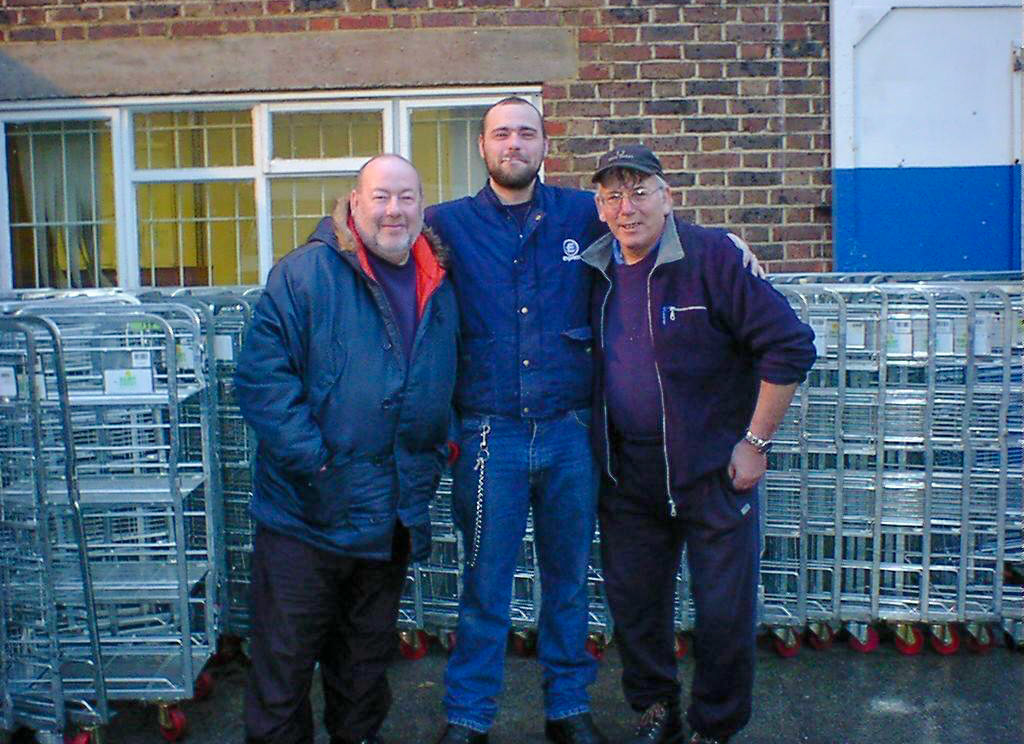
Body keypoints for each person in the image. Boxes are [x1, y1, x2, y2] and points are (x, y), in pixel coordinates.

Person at [580, 145, 816, 744]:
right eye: (612, 195)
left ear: (668, 196)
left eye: (639, 191)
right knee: (635, 608)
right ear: (599, 207)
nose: (626, 207)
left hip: (714, 471)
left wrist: (755, 441)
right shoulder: (593, 269)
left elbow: (788, 345)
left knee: (722, 613)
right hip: (627, 475)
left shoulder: (713, 257)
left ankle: (715, 727)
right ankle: (656, 709)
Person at [235, 154, 459, 744]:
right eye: (381, 197)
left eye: (407, 197)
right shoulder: (305, 274)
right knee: (283, 672)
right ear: (354, 204)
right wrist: (317, 462)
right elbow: (262, 380)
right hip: (305, 516)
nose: (394, 210)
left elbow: (454, 378)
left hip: (390, 517)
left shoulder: (439, 280)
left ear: (421, 205)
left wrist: (442, 449)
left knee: (363, 672)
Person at [424, 97, 608, 744]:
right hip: (486, 435)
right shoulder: (442, 225)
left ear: (545, 145)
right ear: (482, 147)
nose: (514, 144)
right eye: (501, 134)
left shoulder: (585, 216)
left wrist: (725, 245)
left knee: (568, 579)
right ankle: (470, 718)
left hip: (569, 432)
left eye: (526, 133)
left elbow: (656, 228)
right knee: (485, 585)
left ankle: (567, 711)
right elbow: (366, 235)